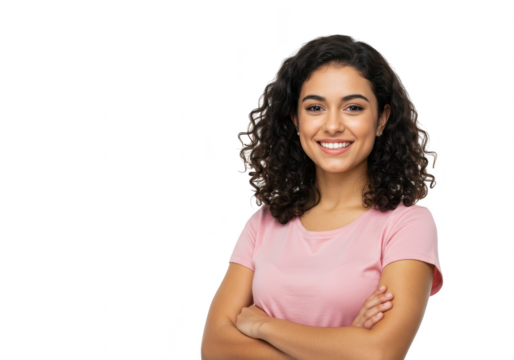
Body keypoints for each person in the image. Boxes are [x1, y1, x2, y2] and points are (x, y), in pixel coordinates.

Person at [204, 34, 443, 360]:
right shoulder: (263, 222)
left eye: (353, 107)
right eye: (315, 107)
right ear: (295, 119)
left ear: (382, 119)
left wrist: (263, 327)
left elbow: (378, 353)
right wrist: (341, 346)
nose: (332, 125)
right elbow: (215, 346)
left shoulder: (408, 225)